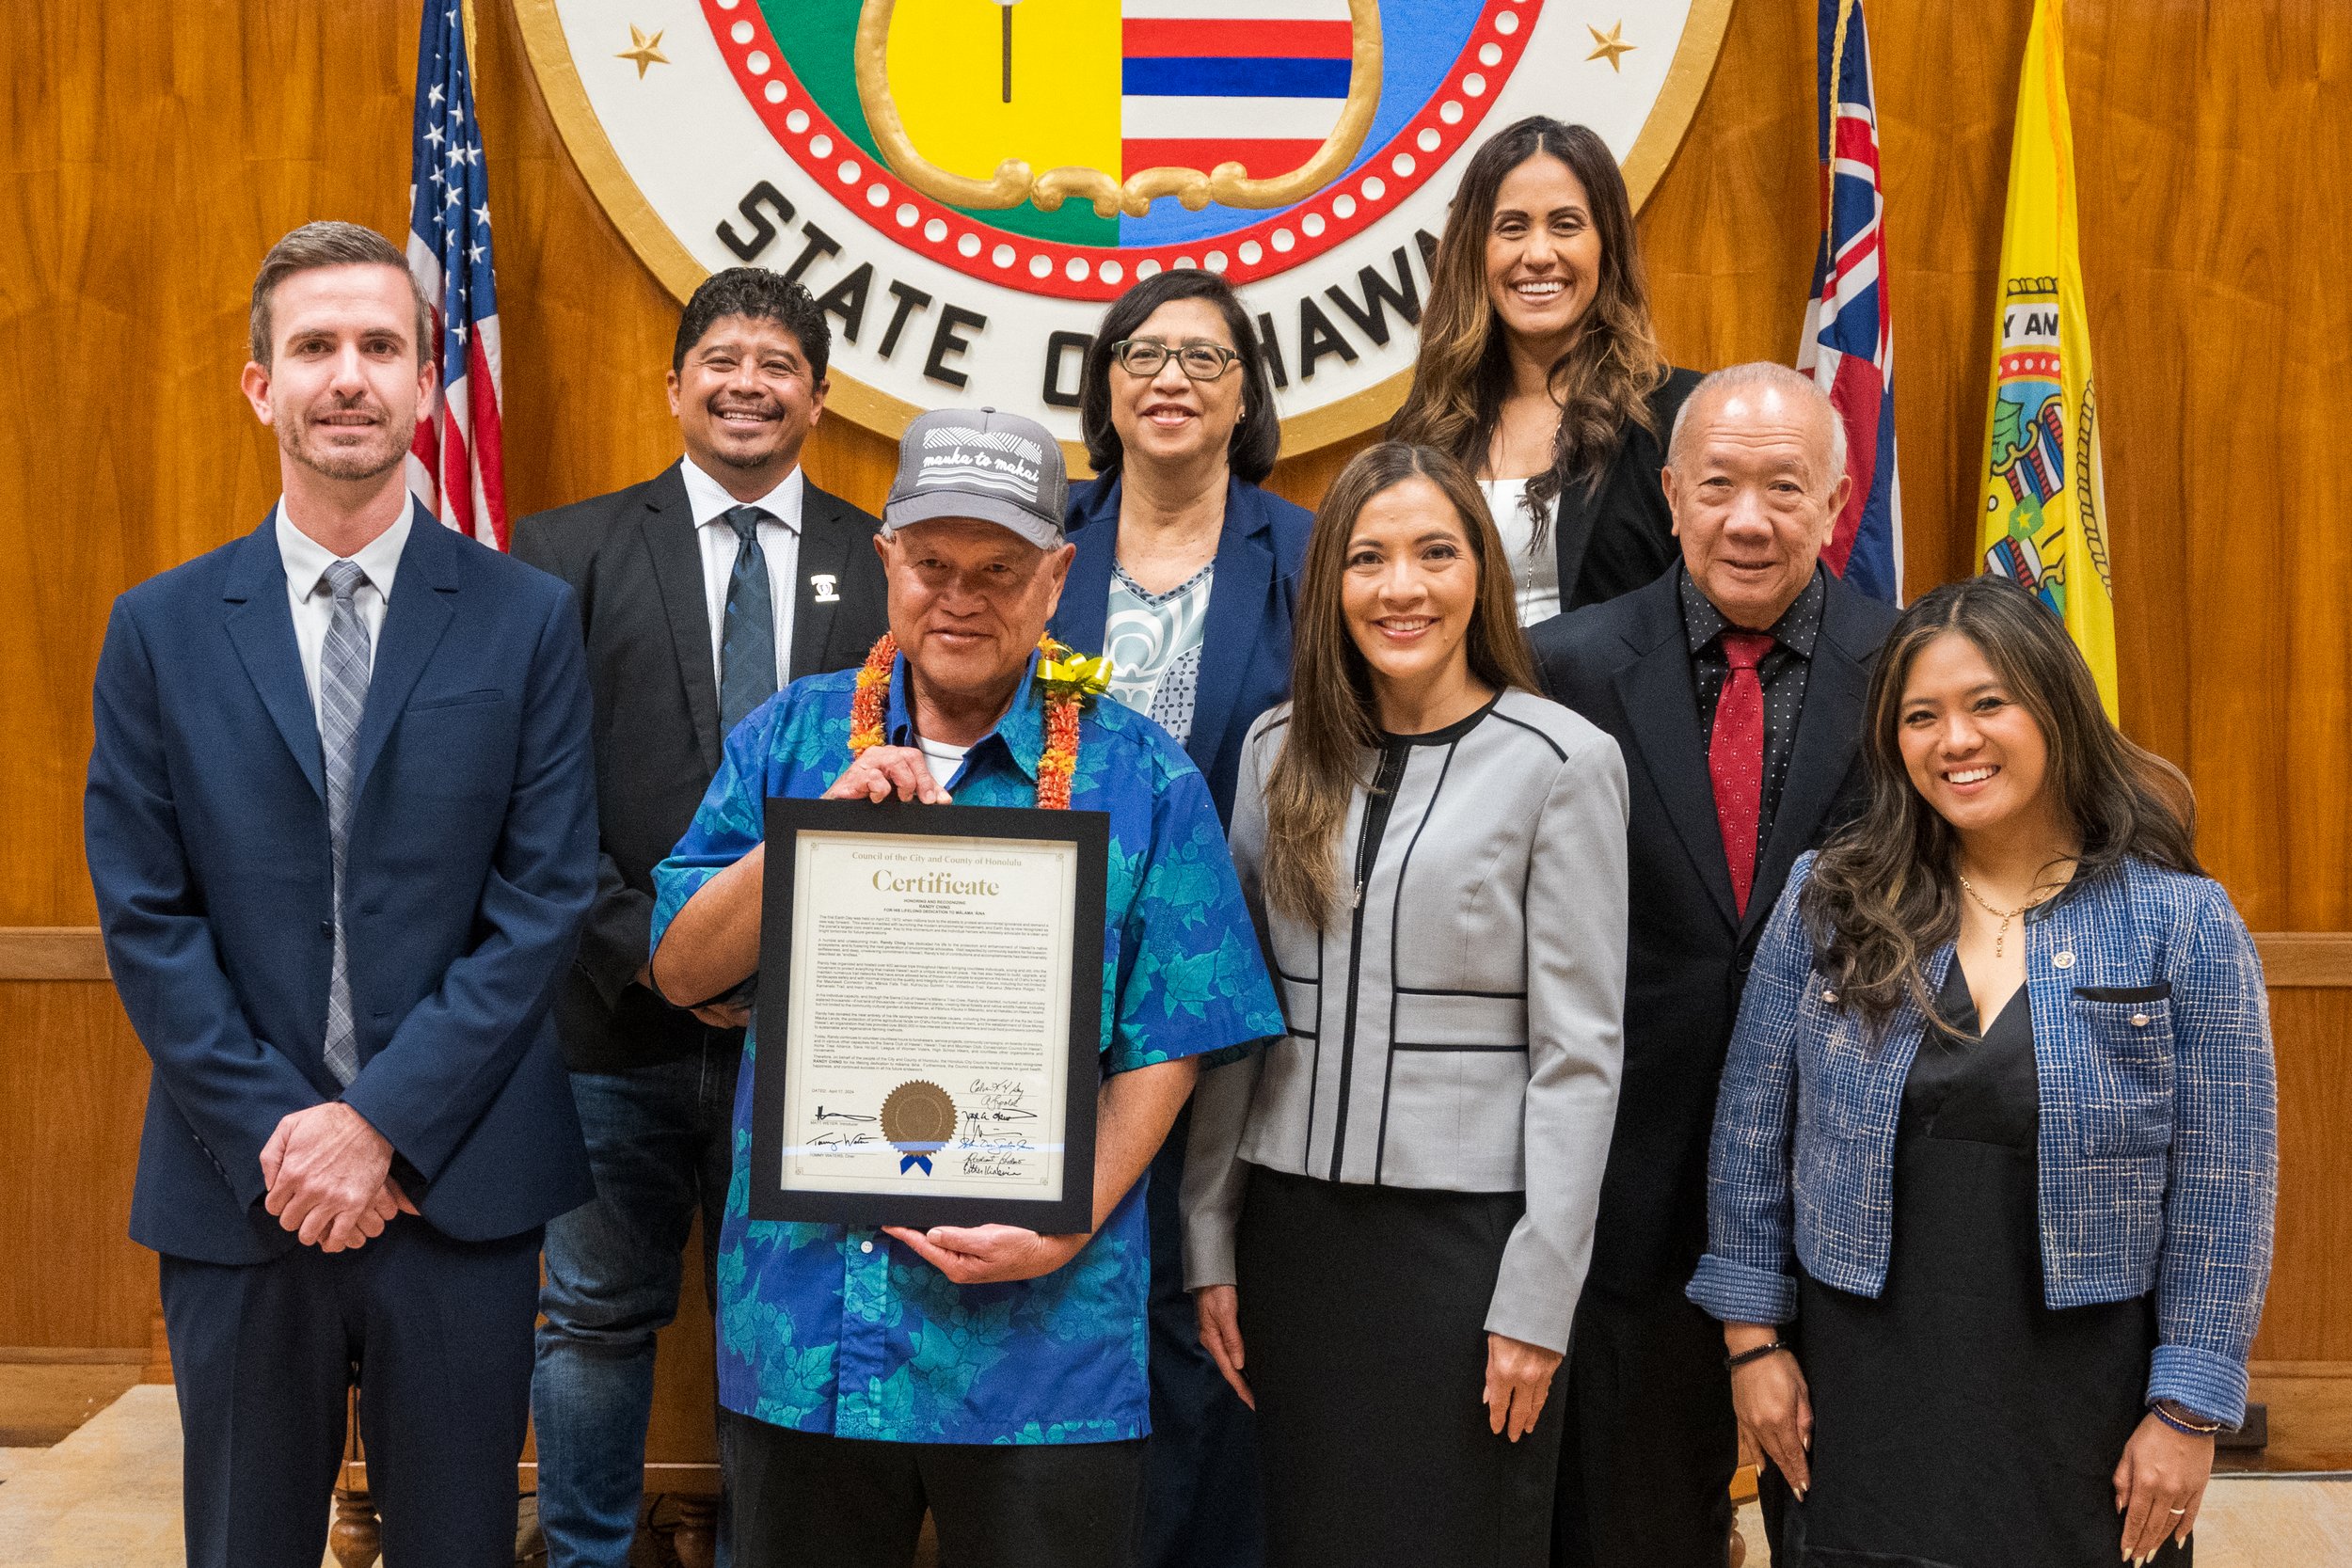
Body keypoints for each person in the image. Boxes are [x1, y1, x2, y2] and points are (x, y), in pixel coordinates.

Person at [645, 407, 1282, 1568]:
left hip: (1044, 1341)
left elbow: (1173, 1036)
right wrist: (808, 839)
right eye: (931, 564)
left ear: (1055, 577)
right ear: (885, 559)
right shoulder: (789, 740)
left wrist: (1070, 1216)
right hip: (811, 1332)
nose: (960, 597)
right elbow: (682, 967)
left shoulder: (1138, 770)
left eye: (997, 570)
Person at [83, 221, 597, 1568]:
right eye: (314, 346)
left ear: (431, 382)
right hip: (236, 1186)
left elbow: (542, 900)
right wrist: (289, 1134)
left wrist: (379, 1124)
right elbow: (145, 911)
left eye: (382, 345)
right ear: (260, 384)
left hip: (459, 1185)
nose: (349, 375)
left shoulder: (527, 617)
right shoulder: (160, 626)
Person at [1690, 574, 2277, 1568]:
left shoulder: (2181, 922)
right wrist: (1752, 1344)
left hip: (2079, 1410)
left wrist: (2187, 1409)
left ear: (2054, 705)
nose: (1953, 739)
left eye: (1986, 703)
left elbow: (2226, 1186)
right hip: (1860, 1391)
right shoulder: (1827, 899)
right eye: (1922, 714)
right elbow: (1749, 1132)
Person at [1182, 441, 1628, 1568]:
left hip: (1470, 1246)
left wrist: (1540, 1290)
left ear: (1479, 570)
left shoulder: (1561, 759)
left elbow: (1580, 1055)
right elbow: (1239, 1014)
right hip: (1296, 1238)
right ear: (1329, 580)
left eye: (1435, 552)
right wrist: (1209, 1236)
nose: (1402, 587)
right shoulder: (1277, 748)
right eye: (1368, 558)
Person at [512, 267, 890, 1568]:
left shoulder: (883, 561)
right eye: (720, 359)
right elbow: (533, 806)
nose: (747, 384)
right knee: (597, 1317)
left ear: (821, 397)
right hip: (610, 1023)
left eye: (778, 364)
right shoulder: (564, 554)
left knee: (781, 1318)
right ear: (672, 384)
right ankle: (584, 1553)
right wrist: (661, 965)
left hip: (813, 1035)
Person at [1527, 362, 1899, 1568]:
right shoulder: (1563, 667)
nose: (1751, 518)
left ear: (1838, 502)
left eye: (1786, 487)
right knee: (1635, 1522)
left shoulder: (1908, 675)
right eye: (1721, 485)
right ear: (1674, 493)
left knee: (1843, 1515)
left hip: (1843, 1192)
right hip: (1625, 1188)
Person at [1050, 267, 1311, 1568]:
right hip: (1053, 988)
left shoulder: (1311, 552)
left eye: (1206, 359)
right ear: (1104, 385)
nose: (1171, 379)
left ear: (1246, 394)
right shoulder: (1043, 542)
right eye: (1144, 353)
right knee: (1070, 1292)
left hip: (1237, 996)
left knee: (1206, 1307)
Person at [1389, 116, 1698, 626]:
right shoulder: (1422, 427)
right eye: (1511, 228)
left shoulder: (1679, 415)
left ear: (1607, 246)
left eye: (1566, 225)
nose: (1537, 255)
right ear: (1476, 252)